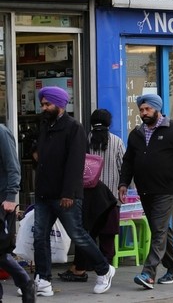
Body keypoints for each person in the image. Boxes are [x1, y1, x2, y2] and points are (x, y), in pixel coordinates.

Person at [30, 86, 115, 296]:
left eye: (47, 104)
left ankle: (104, 270)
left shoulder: (73, 128)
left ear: (60, 105)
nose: (44, 108)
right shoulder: (45, 126)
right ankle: (43, 280)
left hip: (65, 194)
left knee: (77, 235)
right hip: (44, 193)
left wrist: (69, 193)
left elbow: (76, 163)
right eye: (42, 104)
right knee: (40, 237)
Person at [119, 93, 173, 290]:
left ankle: (148, 273)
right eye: (141, 110)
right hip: (144, 189)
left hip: (165, 189)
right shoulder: (136, 134)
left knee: (158, 230)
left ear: (157, 109)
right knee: (162, 229)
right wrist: (123, 183)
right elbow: (128, 161)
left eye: (148, 109)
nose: (144, 113)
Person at [59, 109, 124, 282]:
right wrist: (124, 188)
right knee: (107, 236)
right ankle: (106, 270)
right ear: (109, 123)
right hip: (110, 199)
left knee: (85, 234)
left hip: (86, 198)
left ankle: (80, 269)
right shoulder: (117, 142)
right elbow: (123, 168)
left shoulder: (83, 139)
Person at [0, 123, 36, 302]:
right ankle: (24, 283)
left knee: (0, 252)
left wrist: (10, 197)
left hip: (1, 202)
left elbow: (13, 168)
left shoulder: (1, 132)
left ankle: (25, 281)